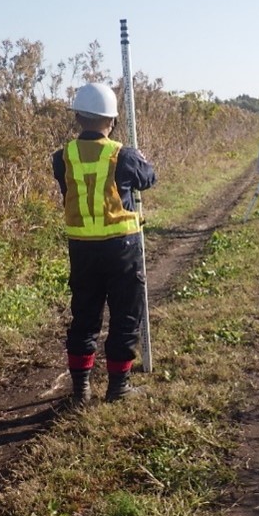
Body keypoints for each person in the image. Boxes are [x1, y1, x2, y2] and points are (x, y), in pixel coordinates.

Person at [51, 82, 157, 405]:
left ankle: (81, 389)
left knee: (84, 315)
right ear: (110, 120)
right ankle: (118, 387)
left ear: (79, 117)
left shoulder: (62, 157)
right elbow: (149, 178)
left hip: (82, 250)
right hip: (121, 248)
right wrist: (139, 158)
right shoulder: (122, 155)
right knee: (125, 315)